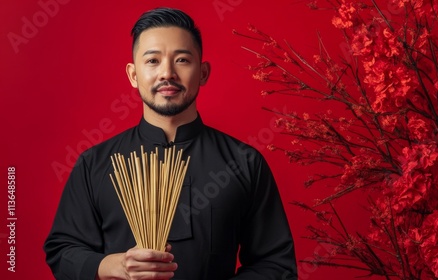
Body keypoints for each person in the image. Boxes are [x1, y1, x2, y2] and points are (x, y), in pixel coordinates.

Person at [44, 7, 297, 280]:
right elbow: (62, 251)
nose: (167, 73)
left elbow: (276, 265)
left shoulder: (244, 162)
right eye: (152, 60)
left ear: (203, 72)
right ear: (133, 74)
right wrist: (115, 266)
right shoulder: (94, 163)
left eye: (182, 60)